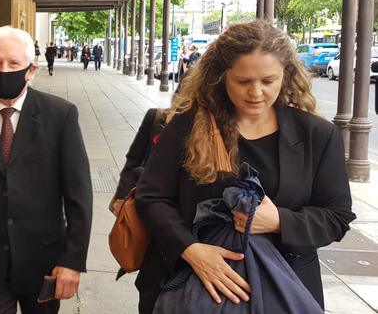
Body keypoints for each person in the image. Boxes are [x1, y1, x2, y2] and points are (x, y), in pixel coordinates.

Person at [135, 20, 355, 313]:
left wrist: (279, 222)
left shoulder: (317, 134)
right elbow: (151, 197)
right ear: (221, 76)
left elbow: (336, 216)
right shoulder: (189, 124)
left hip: (284, 289)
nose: (256, 92)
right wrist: (190, 249)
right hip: (192, 288)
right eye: (243, 81)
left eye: (268, 81)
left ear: (286, 76)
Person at [0, 25, 93, 314]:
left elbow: (79, 196)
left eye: (13, 64)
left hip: (44, 260)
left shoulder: (61, 116)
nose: (4, 70)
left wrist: (73, 260)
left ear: (31, 70)